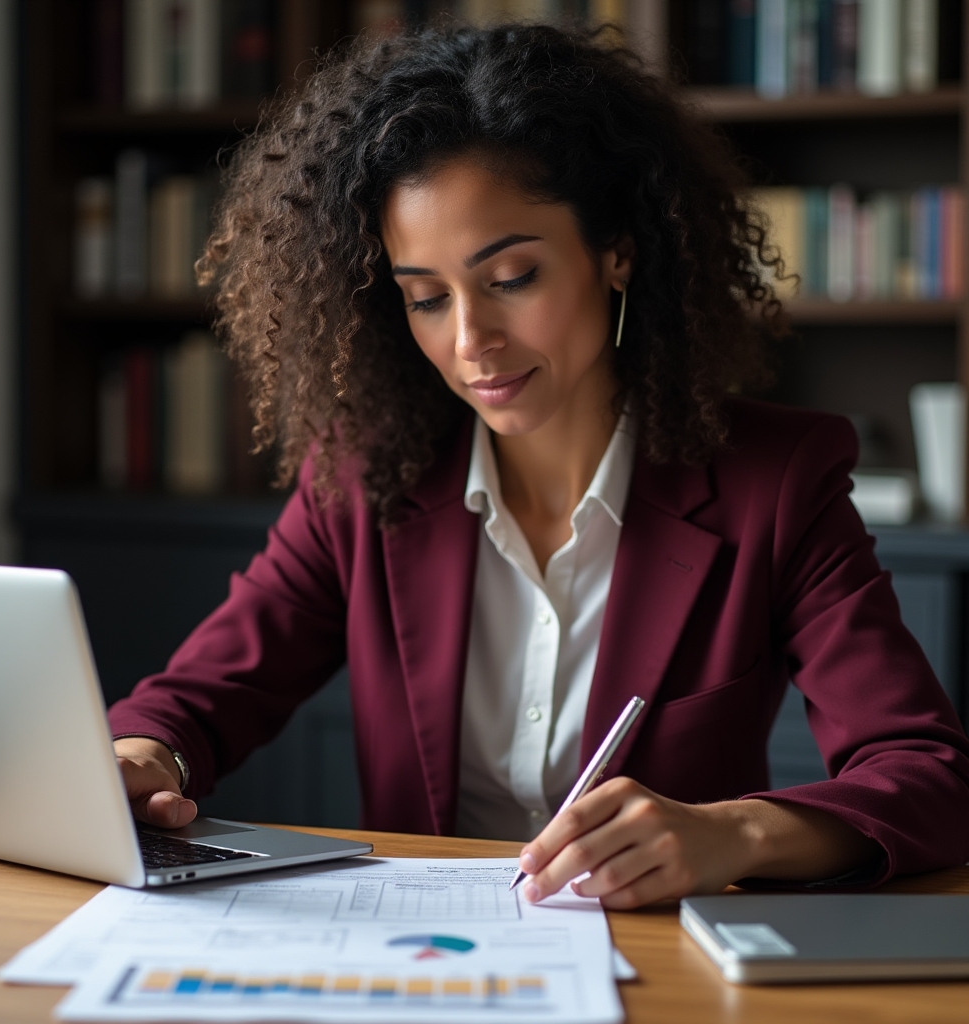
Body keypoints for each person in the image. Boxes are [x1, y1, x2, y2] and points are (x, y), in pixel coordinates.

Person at [110, 22, 969, 909]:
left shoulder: (775, 483)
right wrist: (145, 757)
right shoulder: (365, 479)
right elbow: (202, 695)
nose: (471, 341)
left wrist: (732, 830)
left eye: (512, 276)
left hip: (656, 961)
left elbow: (926, 774)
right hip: (423, 960)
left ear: (618, 254)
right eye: (427, 298)